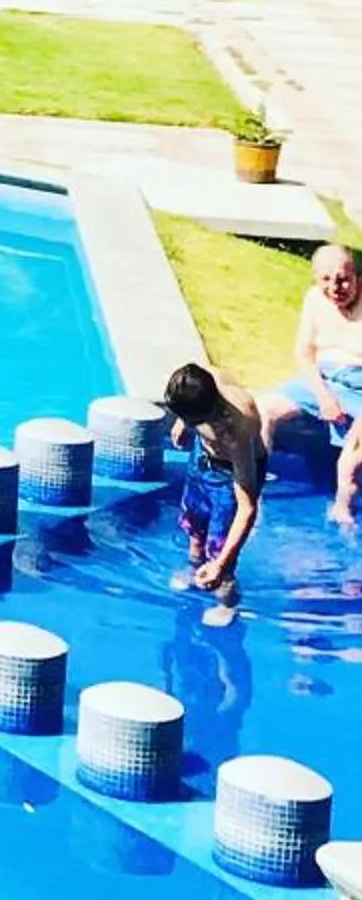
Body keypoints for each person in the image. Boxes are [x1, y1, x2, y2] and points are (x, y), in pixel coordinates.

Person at [164, 361, 268, 621]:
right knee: (195, 528)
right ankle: (195, 568)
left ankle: (227, 600)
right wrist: (182, 421)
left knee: (220, 549)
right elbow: (205, 374)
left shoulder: (235, 433)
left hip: (230, 475)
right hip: (202, 460)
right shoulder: (208, 382)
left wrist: (220, 565)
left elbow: (248, 509)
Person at [279, 241, 362, 530]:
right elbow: (304, 354)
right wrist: (324, 397)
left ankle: (342, 509)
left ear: (356, 276)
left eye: (343, 279)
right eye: (326, 279)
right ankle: (251, 492)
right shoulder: (315, 299)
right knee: (263, 411)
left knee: (350, 457)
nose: (335, 287)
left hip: (359, 384)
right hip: (322, 377)